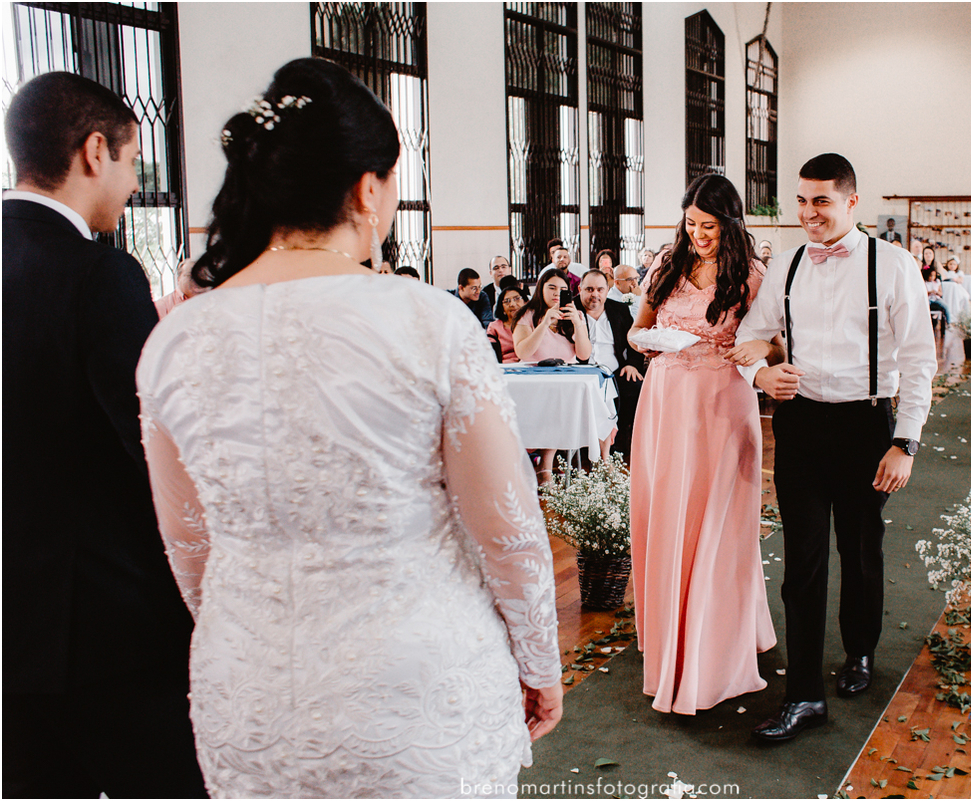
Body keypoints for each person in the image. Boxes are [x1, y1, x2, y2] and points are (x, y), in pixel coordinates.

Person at [135, 58, 561, 797]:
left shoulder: (175, 340)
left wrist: (254, 625)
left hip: (248, 692)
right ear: (368, 189)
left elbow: (189, 544)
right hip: (413, 690)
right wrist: (539, 661)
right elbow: (508, 528)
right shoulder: (429, 322)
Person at [3, 71, 205, 797]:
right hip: (106, 629)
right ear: (95, 151)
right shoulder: (98, 274)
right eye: (131, 161)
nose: (132, 184)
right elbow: (150, 446)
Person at [732, 153, 936, 742]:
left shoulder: (892, 265)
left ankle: (860, 649)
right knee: (802, 560)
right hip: (799, 425)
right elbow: (750, 336)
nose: (808, 212)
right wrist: (761, 375)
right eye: (801, 200)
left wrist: (905, 443)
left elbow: (920, 361)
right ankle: (803, 696)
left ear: (851, 202)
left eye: (821, 200)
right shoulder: (788, 263)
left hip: (865, 425)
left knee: (860, 546)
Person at [627, 173, 779, 715]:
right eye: (692, 223)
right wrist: (647, 341)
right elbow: (638, 329)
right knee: (670, 516)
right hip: (665, 403)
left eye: (709, 226)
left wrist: (754, 350)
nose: (699, 234)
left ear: (730, 223)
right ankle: (672, 631)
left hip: (721, 404)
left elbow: (776, 344)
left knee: (716, 522)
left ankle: (713, 648)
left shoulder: (752, 275)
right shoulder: (667, 265)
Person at [513, 267, 591, 483]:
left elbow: (584, 355)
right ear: (540, 288)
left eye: (562, 289)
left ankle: (546, 467)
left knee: (562, 403)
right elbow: (522, 352)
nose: (557, 293)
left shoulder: (576, 315)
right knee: (550, 404)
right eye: (551, 287)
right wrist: (545, 322)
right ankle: (539, 466)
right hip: (533, 381)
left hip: (564, 381)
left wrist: (577, 324)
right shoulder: (527, 314)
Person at [576, 269, 645, 461]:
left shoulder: (619, 309)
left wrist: (632, 364)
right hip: (583, 372)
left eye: (600, 289)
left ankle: (621, 445)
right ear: (580, 289)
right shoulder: (571, 310)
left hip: (615, 372)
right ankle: (586, 448)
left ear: (607, 290)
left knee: (636, 387)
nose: (595, 294)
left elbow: (633, 340)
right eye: (589, 289)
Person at [487, 276, 529, 363]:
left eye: (517, 299)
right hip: (506, 367)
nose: (512, 304)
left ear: (525, 302)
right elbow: (490, 356)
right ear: (502, 308)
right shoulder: (494, 327)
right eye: (507, 301)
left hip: (531, 366)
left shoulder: (534, 323)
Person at [923, 264, 951, 331]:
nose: (932, 277)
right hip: (928, 299)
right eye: (931, 276)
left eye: (934, 276)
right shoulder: (924, 282)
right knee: (925, 306)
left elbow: (941, 293)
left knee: (946, 306)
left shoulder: (937, 282)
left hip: (936, 298)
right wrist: (929, 292)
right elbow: (923, 293)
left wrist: (937, 292)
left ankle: (948, 323)